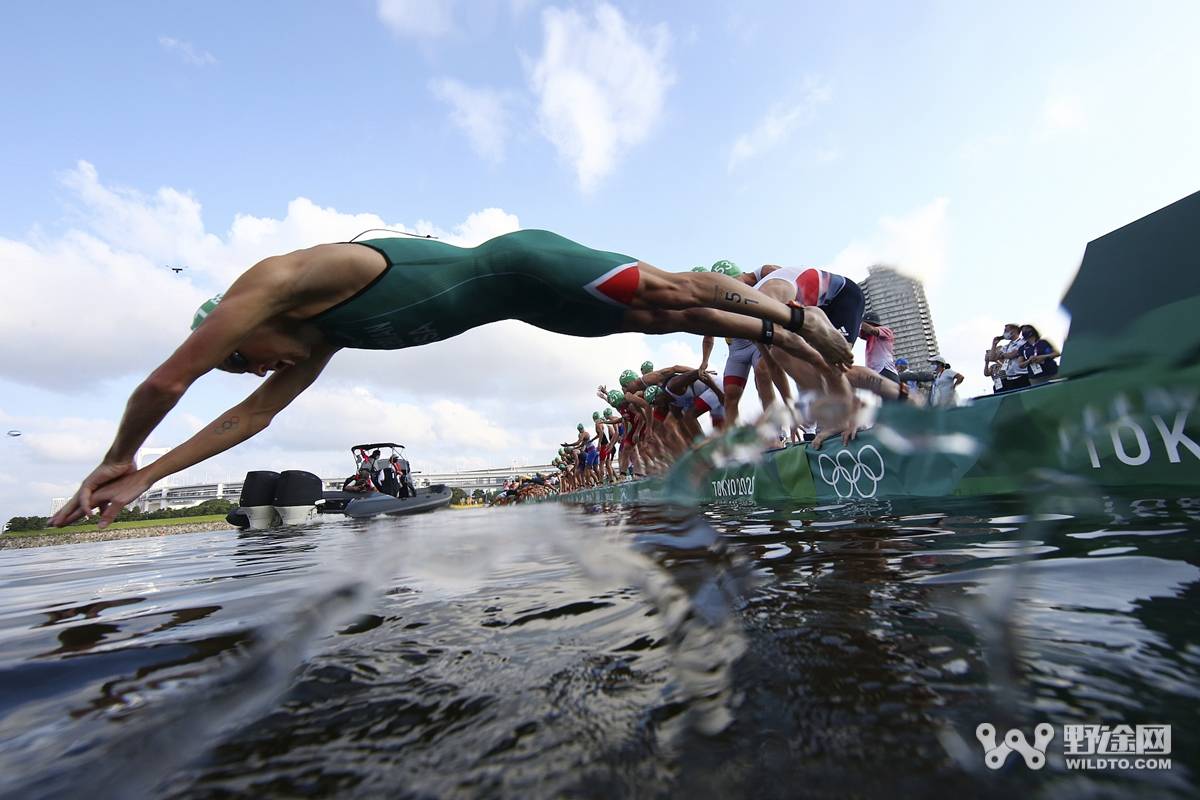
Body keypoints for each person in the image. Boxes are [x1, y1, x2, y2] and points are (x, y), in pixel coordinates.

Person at [51, 229, 855, 528]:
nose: (254, 369)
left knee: (674, 296)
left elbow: (163, 386)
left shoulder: (277, 283)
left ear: (229, 323)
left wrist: (120, 454)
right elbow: (248, 422)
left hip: (526, 261)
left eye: (240, 357)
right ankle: (803, 341)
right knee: (667, 325)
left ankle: (799, 321)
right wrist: (148, 480)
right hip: (528, 312)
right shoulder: (318, 338)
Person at [860, 310, 898, 382]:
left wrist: (858, 320)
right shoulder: (869, 336)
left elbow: (872, 330)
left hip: (885, 370)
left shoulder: (886, 330)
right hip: (874, 372)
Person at [992, 323, 1030, 392]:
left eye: (1006, 331)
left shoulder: (1022, 342)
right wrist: (994, 345)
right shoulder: (1007, 346)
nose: (1004, 333)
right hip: (1010, 378)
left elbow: (1013, 354)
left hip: (1022, 376)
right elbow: (993, 358)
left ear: (1013, 331)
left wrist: (1003, 355)